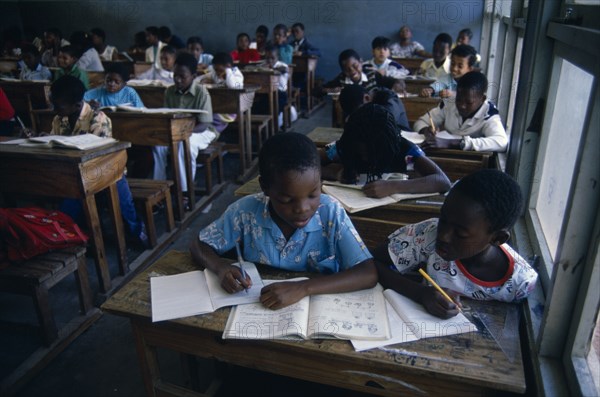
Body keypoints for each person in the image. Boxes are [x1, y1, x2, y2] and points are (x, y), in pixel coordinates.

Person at [190, 132, 378, 310]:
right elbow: (199, 245)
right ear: (265, 187)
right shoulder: (245, 211)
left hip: (320, 305)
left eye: (313, 194)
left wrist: (304, 288)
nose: (303, 208)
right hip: (258, 305)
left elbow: (368, 273)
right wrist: (221, 268)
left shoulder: (329, 212)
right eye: (287, 200)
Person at [373, 169, 538, 319]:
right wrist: (420, 293)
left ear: (497, 239)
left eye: (460, 233)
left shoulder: (520, 282)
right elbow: (370, 261)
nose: (443, 236)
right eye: (443, 220)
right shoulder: (427, 234)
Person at [47, 76, 148, 246]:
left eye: (58, 105)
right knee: (68, 204)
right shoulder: (60, 118)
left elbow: (97, 157)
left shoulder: (98, 119)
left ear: (77, 105)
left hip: (106, 170)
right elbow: (54, 141)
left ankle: (136, 232)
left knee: (122, 203)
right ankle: (80, 237)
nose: (54, 109)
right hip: (77, 173)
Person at [321, 103, 451, 197]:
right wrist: (333, 173)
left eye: (372, 153)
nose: (365, 158)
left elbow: (442, 181)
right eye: (361, 153)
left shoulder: (404, 152)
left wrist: (393, 186)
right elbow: (308, 164)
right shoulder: (346, 145)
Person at [153, 53, 217, 209]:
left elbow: (204, 123)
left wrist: (182, 134)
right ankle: (159, 190)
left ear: (194, 76)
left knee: (184, 144)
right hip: (176, 132)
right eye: (175, 76)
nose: (178, 80)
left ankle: (185, 193)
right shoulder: (169, 92)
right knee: (158, 145)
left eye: (183, 76)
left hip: (201, 131)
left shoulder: (202, 92)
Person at [415, 71, 508, 152]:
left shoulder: (489, 113)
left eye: (469, 102)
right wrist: (426, 130)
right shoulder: (449, 102)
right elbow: (420, 122)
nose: (462, 106)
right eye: (458, 100)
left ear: (482, 98)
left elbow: (501, 142)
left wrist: (456, 143)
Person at [197, 51, 244, 132]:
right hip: (216, 108)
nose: (218, 73)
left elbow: (232, 85)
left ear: (228, 66)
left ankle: (210, 132)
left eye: (220, 70)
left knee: (206, 118)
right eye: (215, 70)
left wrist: (228, 71)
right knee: (202, 116)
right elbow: (197, 80)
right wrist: (203, 80)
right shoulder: (215, 73)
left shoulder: (236, 74)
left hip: (230, 111)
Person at [322, 49, 404, 95]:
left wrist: (398, 85)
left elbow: (395, 82)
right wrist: (329, 90)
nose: (352, 71)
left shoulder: (372, 75)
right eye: (347, 69)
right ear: (343, 70)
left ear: (361, 62)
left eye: (355, 66)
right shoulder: (341, 79)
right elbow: (318, 90)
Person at [338, 84, 410, 131]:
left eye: (360, 112)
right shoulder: (363, 102)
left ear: (366, 98)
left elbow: (384, 127)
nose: (359, 116)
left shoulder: (389, 101)